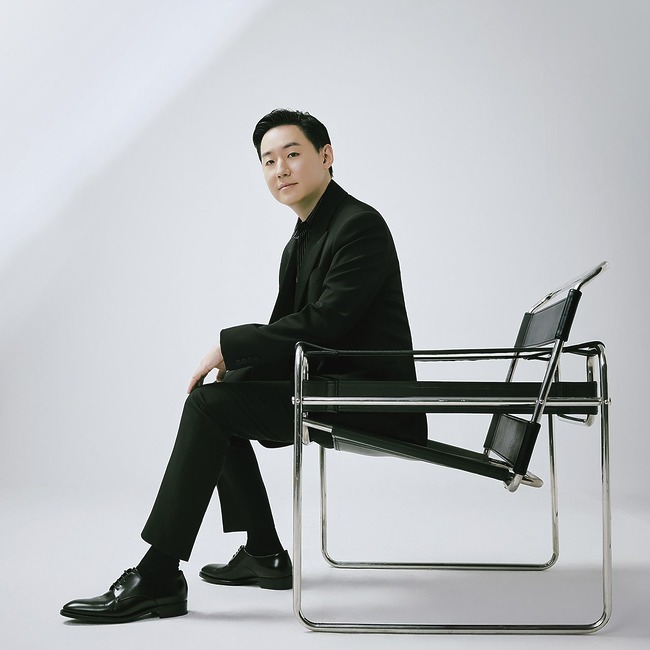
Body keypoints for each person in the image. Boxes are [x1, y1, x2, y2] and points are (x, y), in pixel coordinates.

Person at [60, 108, 426, 623]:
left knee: (212, 407)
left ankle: (159, 574)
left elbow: (325, 322)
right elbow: (296, 330)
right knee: (216, 399)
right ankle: (263, 553)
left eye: (292, 154)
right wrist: (237, 372)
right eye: (268, 161)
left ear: (326, 156)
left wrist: (228, 346)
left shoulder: (358, 225)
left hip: (367, 398)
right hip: (331, 385)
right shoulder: (304, 236)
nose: (281, 169)